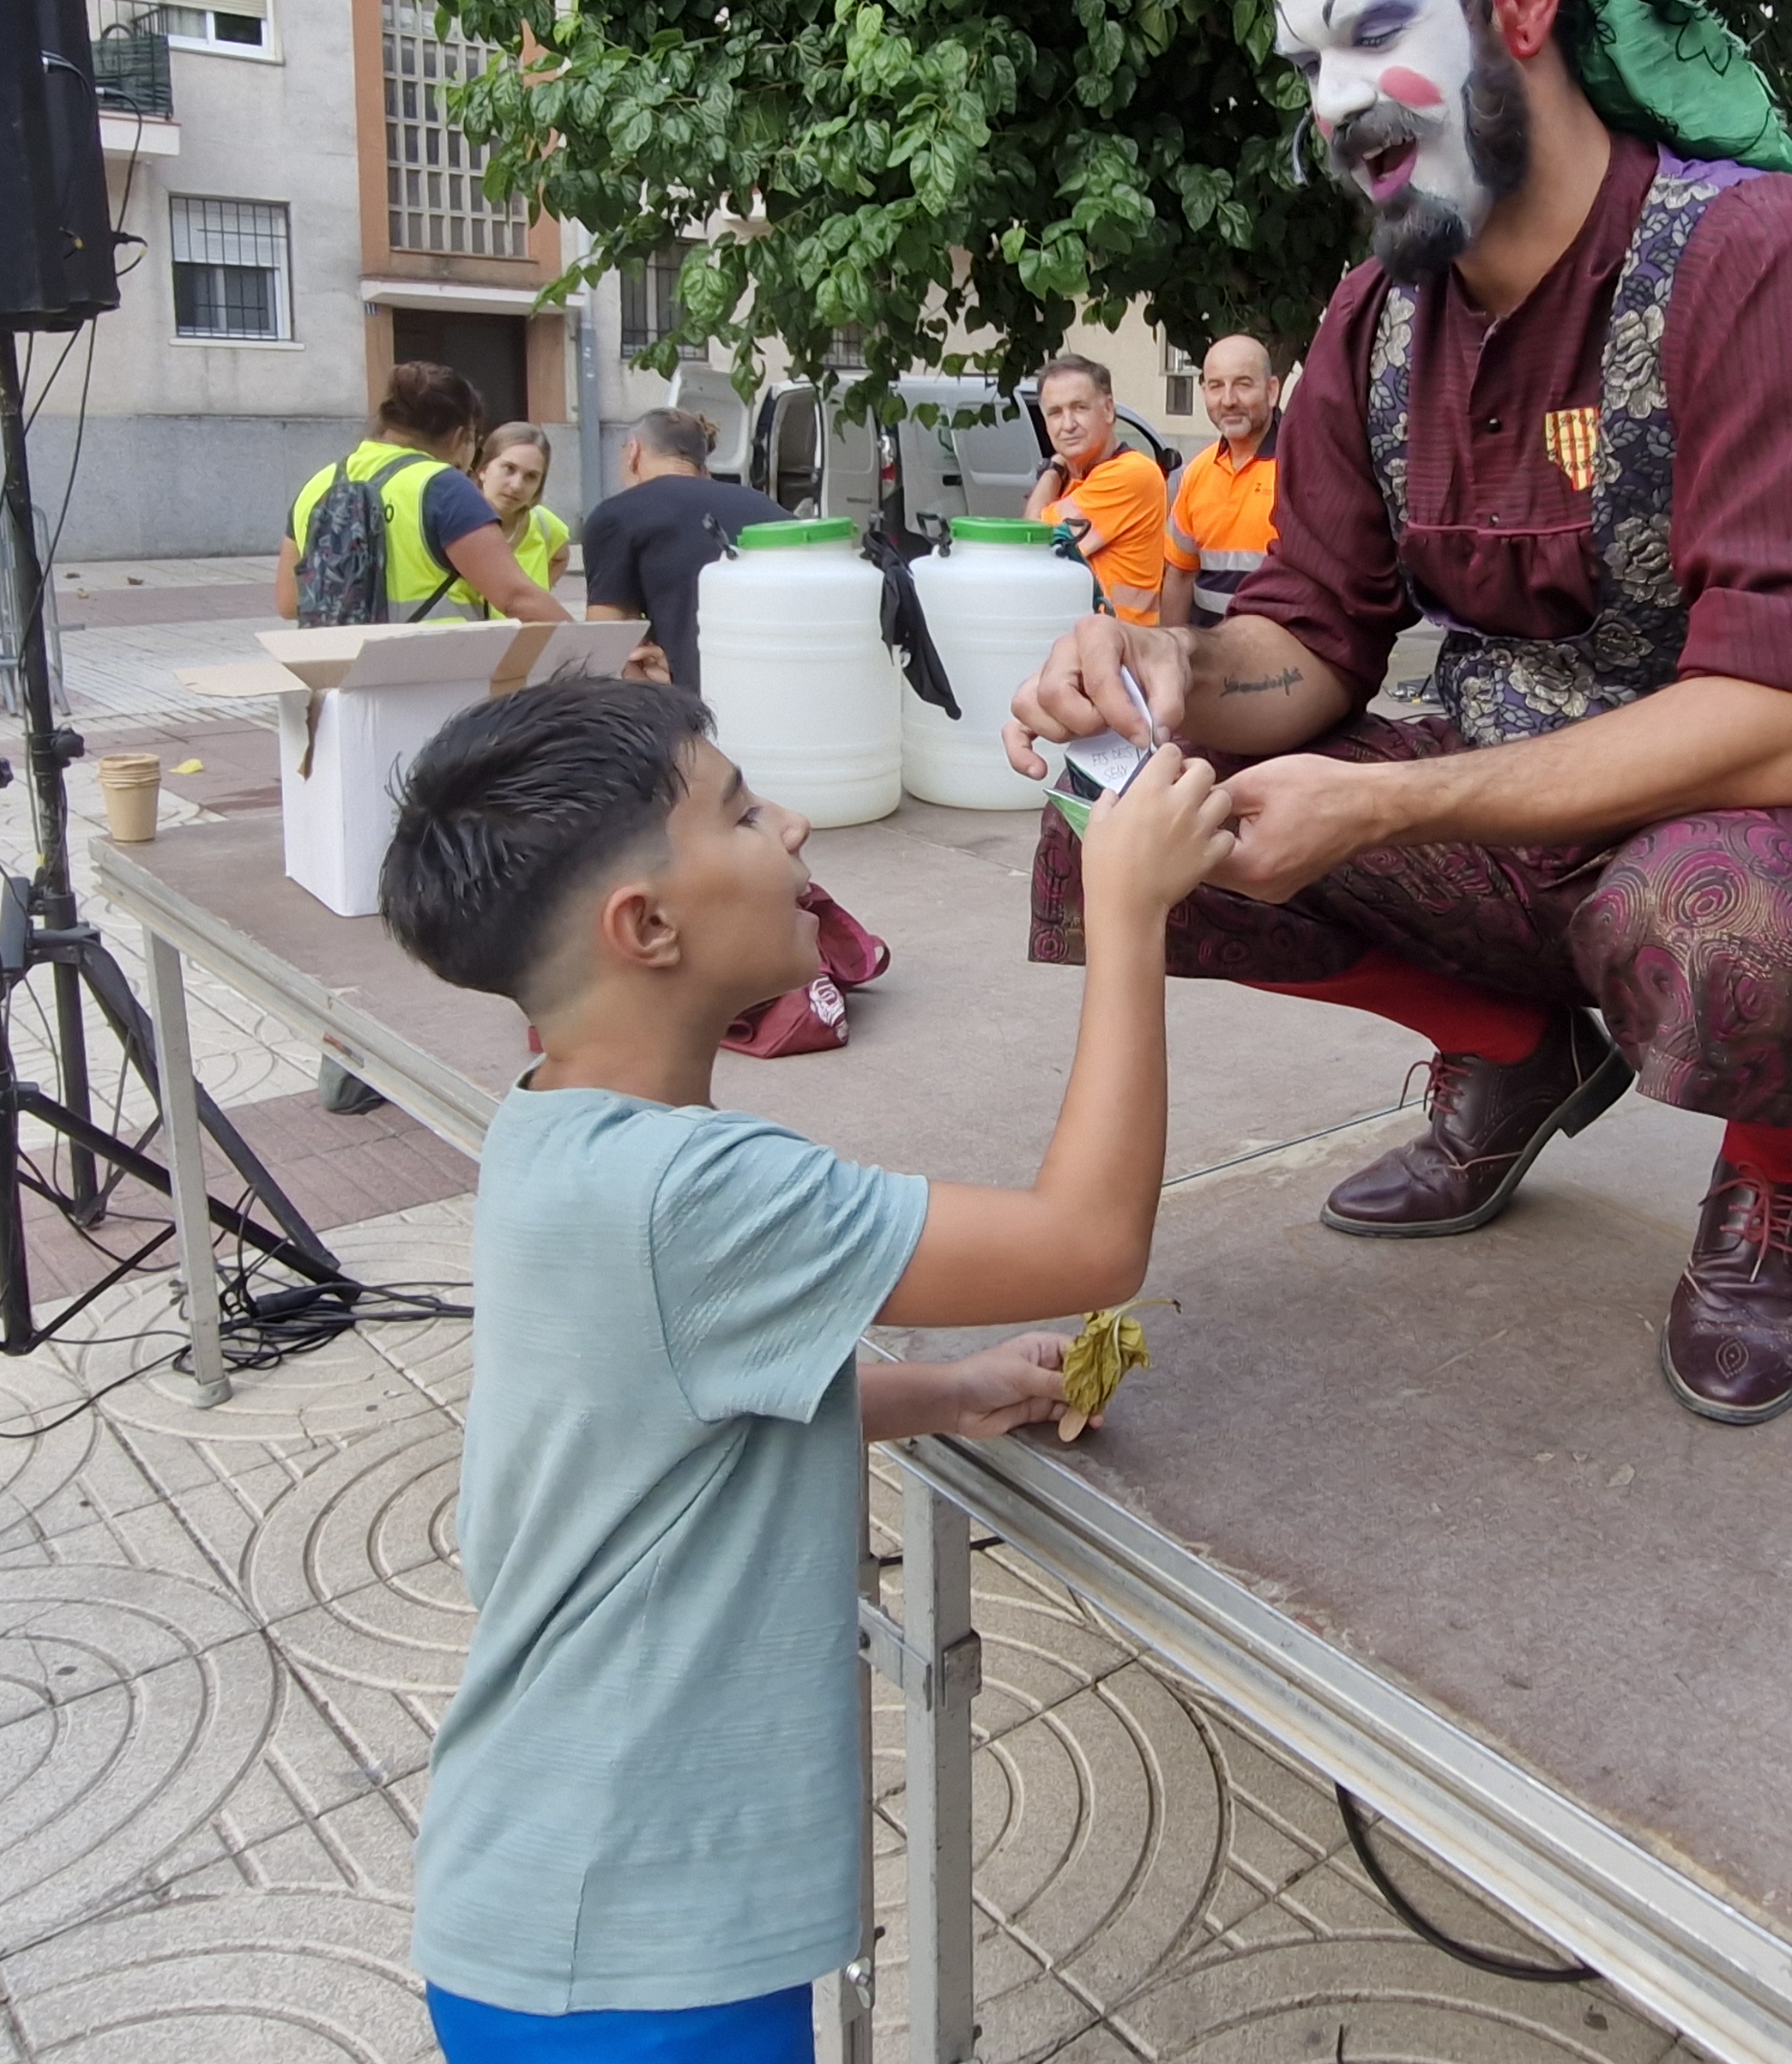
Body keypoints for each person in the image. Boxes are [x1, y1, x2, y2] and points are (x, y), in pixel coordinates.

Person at [1005, 0, 1792, 1428]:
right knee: (1117, 831)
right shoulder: (1378, 321)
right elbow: (1306, 644)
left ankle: (1770, 1185)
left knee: (1733, 928)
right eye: (1309, 61)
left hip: (1766, 819)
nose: (1334, 107)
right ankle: (1517, 1048)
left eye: (1374, 31)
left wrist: (1393, 797)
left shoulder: (1766, 266)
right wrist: (1166, 671)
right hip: (1508, 802)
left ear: (1522, 9)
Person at [375, 676, 1233, 2057]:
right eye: (738, 810)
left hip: (564, 1897)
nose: (792, 826)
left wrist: (951, 1391)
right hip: (641, 1953)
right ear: (645, 926)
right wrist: (1127, 910)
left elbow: (663, 1430)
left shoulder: (552, 1132)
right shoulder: (697, 1192)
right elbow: (1089, 1242)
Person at [275, 362, 570, 625]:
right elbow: (516, 599)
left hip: (342, 673)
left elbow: (289, 604)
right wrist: (595, 652)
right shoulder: (443, 487)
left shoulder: (318, 485)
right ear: (459, 436)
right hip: (434, 674)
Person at [582, 408, 791, 691]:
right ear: (702, 465)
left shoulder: (616, 516)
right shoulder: (767, 507)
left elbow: (604, 648)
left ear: (633, 452)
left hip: (693, 711)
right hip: (785, 693)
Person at [1020, 354, 1167, 625]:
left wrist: (1054, 467)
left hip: (1123, 645)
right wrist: (1059, 468)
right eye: (1055, 413)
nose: (1067, 424)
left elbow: (1033, 543)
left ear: (1109, 410)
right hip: (1084, 640)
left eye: (1079, 408)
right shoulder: (1072, 479)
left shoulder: (1130, 474)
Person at [1157, 333, 1283, 628]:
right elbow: (1180, 573)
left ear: (1272, 390)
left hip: (1283, 661)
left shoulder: (1305, 464)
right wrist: (1172, 651)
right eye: (1216, 386)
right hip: (1210, 658)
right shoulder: (1198, 472)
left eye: (1243, 384)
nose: (1228, 400)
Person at [474, 422, 575, 616]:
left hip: (527, 643)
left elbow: (560, 556)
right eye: (509, 469)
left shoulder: (545, 525)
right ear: (484, 469)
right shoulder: (458, 520)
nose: (517, 485)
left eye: (531, 476)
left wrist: (540, 593)